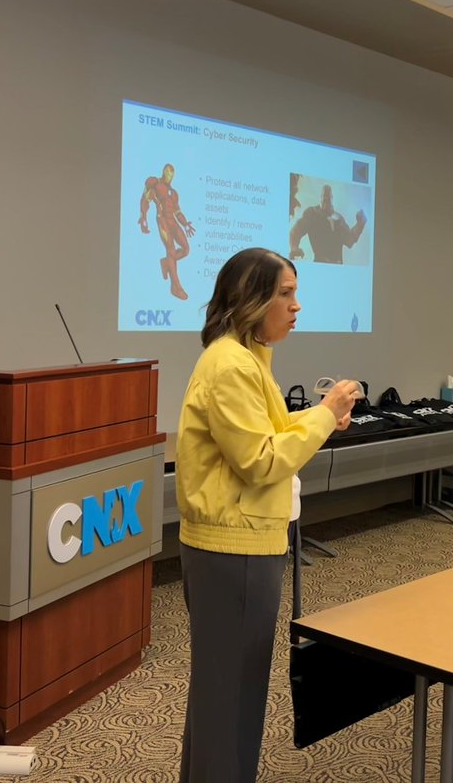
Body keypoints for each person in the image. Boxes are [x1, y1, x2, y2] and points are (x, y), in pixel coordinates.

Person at [175, 247, 359, 783]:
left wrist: (322, 417)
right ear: (248, 298)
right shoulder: (232, 364)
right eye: (284, 294)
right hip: (234, 550)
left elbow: (268, 431)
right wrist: (323, 416)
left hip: (239, 544)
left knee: (225, 692)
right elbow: (261, 461)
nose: (296, 306)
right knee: (230, 694)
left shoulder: (245, 357)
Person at [139, 162, 195, 300]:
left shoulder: (174, 193)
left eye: (172, 174)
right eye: (168, 173)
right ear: (164, 172)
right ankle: (176, 287)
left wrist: (186, 223)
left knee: (186, 249)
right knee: (170, 250)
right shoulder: (155, 183)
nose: (170, 176)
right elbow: (145, 199)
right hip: (162, 221)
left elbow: (178, 212)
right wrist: (143, 217)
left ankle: (166, 262)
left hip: (173, 223)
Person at [288, 184, 366, 264]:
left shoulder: (339, 219)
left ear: (332, 199)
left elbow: (350, 240)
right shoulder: (312, 213)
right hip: (320, 265)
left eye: (328, 198)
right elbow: (295, 232)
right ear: (320, 198)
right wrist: (294, 247)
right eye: (324, 198)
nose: (326, 200)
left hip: (337, 267)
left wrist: (360, 224)